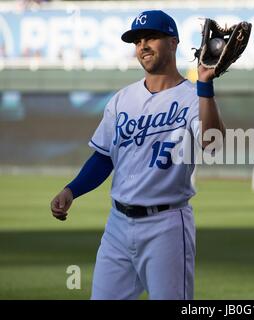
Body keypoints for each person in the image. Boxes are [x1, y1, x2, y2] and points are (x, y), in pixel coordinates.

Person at [50, 10, 226, 300]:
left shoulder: (193, 96)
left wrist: (206, 84)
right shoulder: (122, 99)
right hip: (117, 225)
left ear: (173, 42)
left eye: (152, 37)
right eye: (137, 40)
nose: (143, 45)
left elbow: (214, 144)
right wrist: (72, 190)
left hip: (166, 226)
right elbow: (104, 157)